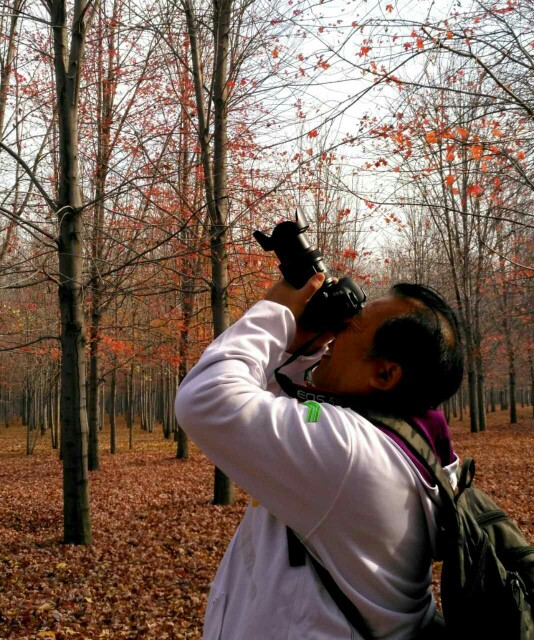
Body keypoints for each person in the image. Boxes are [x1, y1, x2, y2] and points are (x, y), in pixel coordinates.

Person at [175, 273, 464, 639]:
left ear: (386, 373)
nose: (337, 330)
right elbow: (290, 408)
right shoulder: (388, 439)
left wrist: (276, 311)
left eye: (350, 326)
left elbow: (205, 399)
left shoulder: (347, 450)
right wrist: (306, 346)